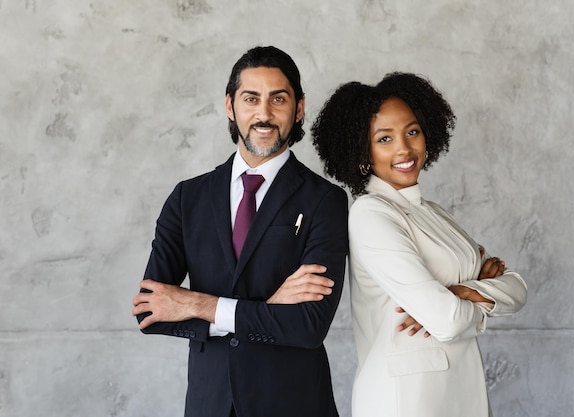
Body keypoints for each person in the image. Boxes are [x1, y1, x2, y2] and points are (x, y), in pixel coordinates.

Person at [131, 46, 349, 417]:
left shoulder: (325, 200)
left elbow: (309, 326)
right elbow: (149, 312)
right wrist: (266, 309)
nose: (264, 114)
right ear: (231, 106)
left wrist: (198, 304)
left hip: (293, 404)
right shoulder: (188, 198)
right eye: (251, 99)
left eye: (278, 99)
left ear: (298, 109)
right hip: (208, 404)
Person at [311, 73, 527, 417]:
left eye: (412, 131)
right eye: (384, 139)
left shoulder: (436, 214)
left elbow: (517, 289)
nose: (404, 148)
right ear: (363, 153)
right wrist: (478, 289)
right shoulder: (371, 215)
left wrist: (460, 291)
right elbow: (447, 320)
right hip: (407, 400)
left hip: (461, 390)